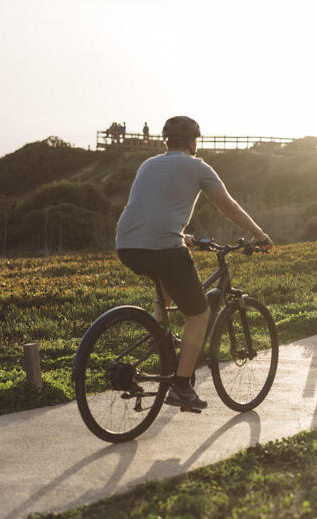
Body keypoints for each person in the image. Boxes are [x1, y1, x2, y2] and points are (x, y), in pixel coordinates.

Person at [115, 115, 272, 411]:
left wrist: (182, 234)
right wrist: (260, 234)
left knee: (167, 284)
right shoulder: (198, 166)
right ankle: (182, 386)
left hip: (126, 244)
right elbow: (230, 207)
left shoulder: (148, 164)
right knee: (199, 315)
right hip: (164, 247)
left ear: (166, 141)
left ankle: (160, 339)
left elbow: (151, 207)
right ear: (192, 141)